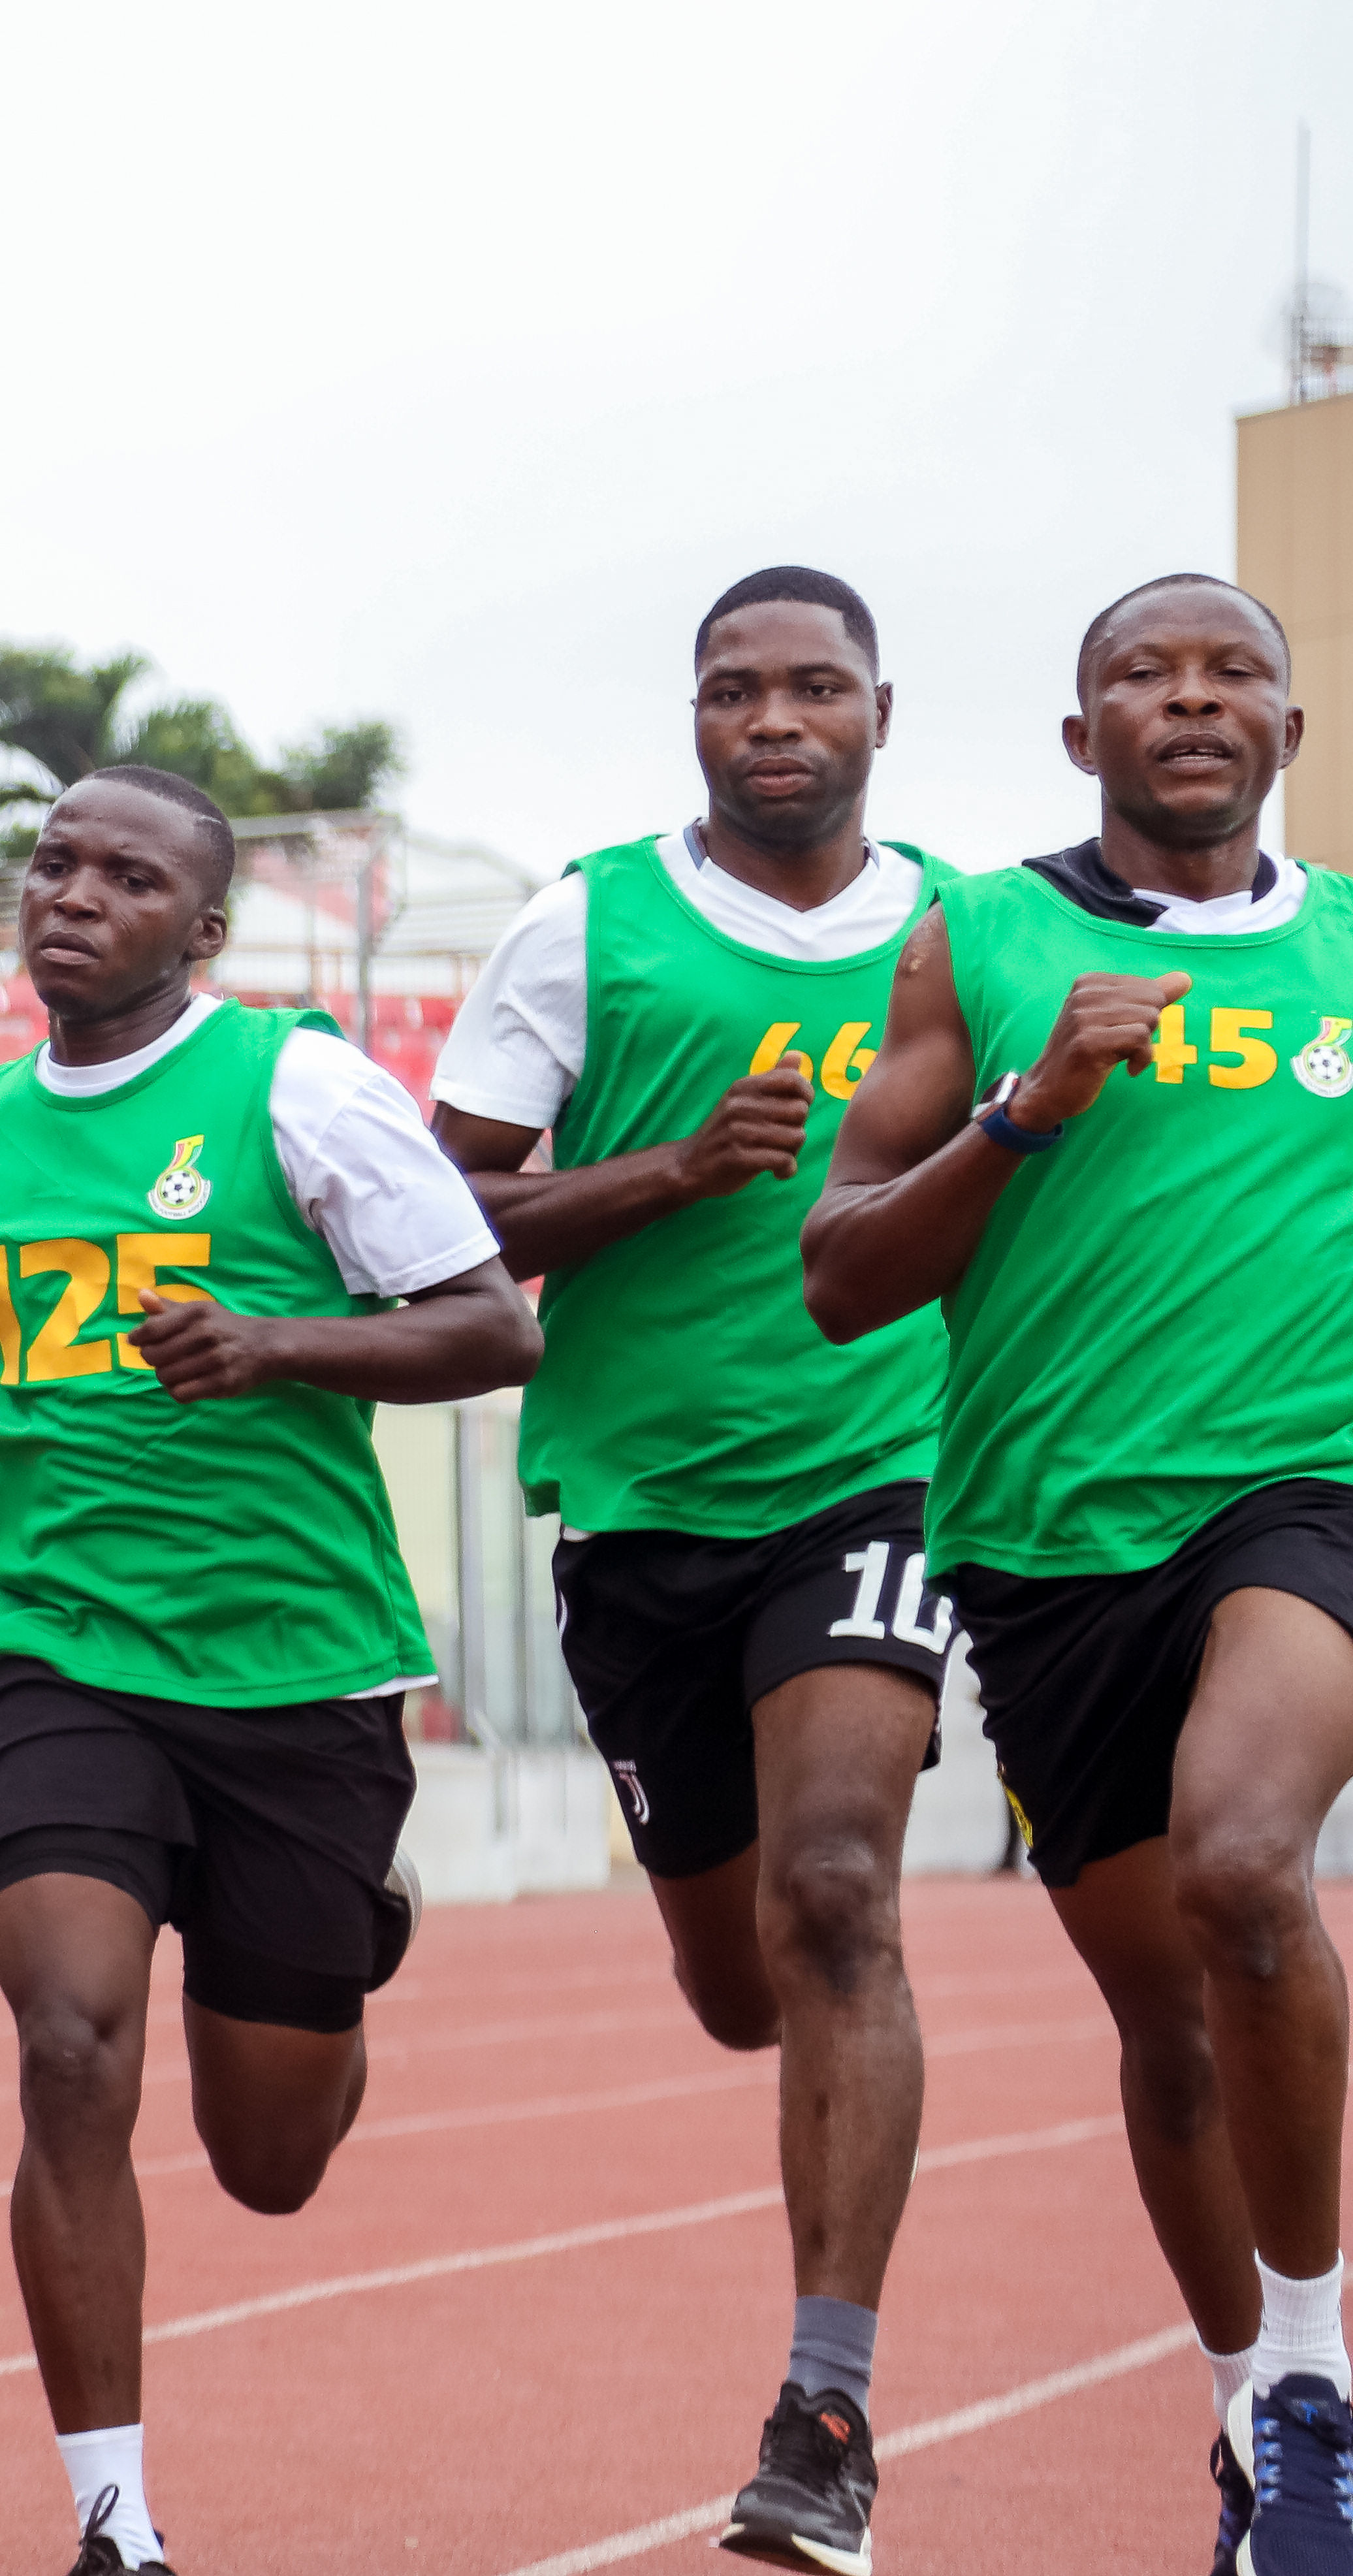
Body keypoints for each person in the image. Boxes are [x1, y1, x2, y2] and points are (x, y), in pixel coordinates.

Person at [0, 767, 538, 2575]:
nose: (72, 894)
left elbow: (491, 1322)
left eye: (127, 877)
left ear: (203, 930)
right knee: (70, 2037)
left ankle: (339, 1931)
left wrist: (279, 1344)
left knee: (270, 2155)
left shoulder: (293, 1088)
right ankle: (114, 2521)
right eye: (54, 863)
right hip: (60, 1646)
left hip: (296, 1666)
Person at [806, 572, 1347, 2575]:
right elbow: (844, 1273)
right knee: (1173, 2019)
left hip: (1309, 1499)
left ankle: (1312, 2381)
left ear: (1287, 733)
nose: (1190, 701)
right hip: (1047, 1548)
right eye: (1144, 674)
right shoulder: (989, 940)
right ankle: (1248, 2417)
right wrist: (1029, 1117)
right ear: (1079, 732)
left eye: (1233, 676)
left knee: (1241, 1868)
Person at [430, 567, 949, 2573]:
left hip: (881, 1470)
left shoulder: (960, 935)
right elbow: (442, 1227)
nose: (776, 721)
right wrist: (672, 1172)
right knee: (742, 1984)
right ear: (697, 718)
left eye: (817, 687)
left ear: (882, 715)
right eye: (738, 690)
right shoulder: (584, 928)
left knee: (841, 1894)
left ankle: (825, 2412)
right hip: (641, 1513)